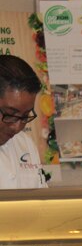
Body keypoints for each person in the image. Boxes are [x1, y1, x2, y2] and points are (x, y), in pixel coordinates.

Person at [0, 56, 46, 189]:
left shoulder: (25, 143)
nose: (17, 126)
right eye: (10, 114)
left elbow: (41, 201)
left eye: (25, 116)